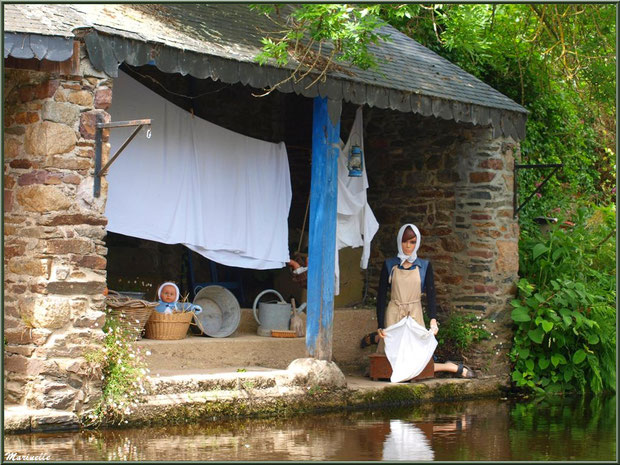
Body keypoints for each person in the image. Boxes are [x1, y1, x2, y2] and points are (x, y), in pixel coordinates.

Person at [361, 223, 475, 379]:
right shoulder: (389, 265)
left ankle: (450, 367)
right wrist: (381, 324)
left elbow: (431, 295)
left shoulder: (424, 266)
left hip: (414, 313)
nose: (408, 246)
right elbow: (381, 297)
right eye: (405, 241)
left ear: (417, 243)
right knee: (391, 354)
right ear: (399, 242)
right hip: (394, 312)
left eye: (412, 242)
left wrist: (433, 321)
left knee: (415, 358)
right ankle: (376, 340)